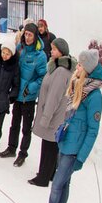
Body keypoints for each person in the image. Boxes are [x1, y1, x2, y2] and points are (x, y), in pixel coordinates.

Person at [31, 49, 102, 203]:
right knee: (63, 183)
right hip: (65, 142)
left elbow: (92, 130)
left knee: (57, 183)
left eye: (80, 65)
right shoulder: (77, 86)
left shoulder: (94, 95)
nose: (76, 67)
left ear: (87, 69)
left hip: (75, 148)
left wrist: (81, 157)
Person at [29, 38, 76, 187]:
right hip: (54, 114)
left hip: (53, 115)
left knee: (49, 146)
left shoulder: (61, 71)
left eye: (54, 49)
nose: (51, 51)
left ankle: (43, 177)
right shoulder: (56, 67)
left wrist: (46, 117)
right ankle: (48, 174)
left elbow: (54, 97)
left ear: (61, 52)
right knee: (50, 145)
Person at [0, 22, 47, 167]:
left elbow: (42, 77)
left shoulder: (40, 56)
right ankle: (11, 147)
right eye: (25, 34)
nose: (27, 37)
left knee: (26, 128)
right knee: (14, 124)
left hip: (28, 96)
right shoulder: (20, 48)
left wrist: (31, 88)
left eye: (30, 35)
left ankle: (22, 153)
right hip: (17, 93)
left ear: (35, 36)